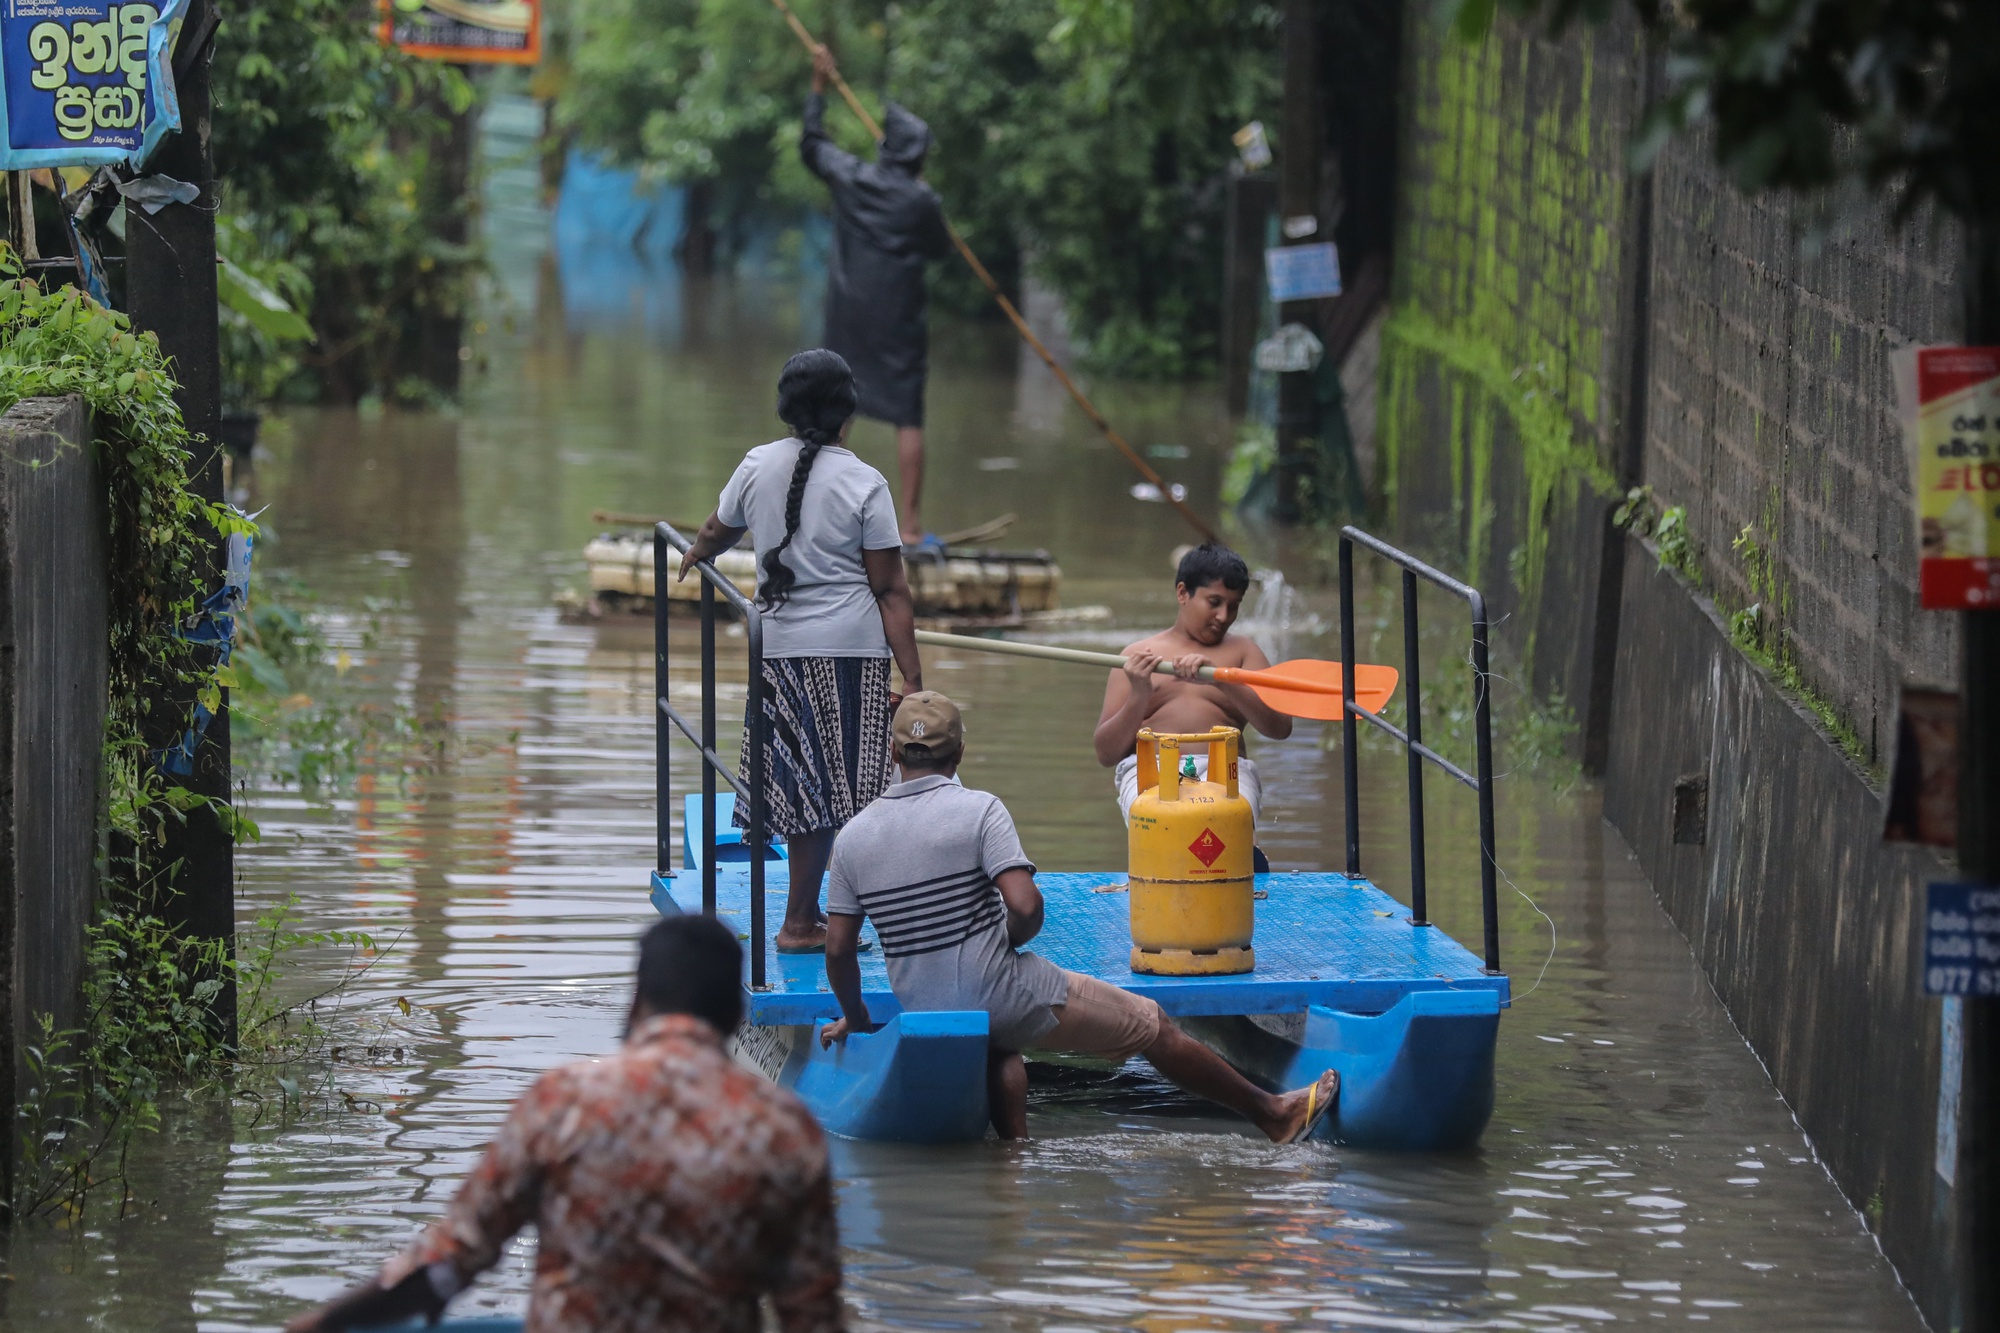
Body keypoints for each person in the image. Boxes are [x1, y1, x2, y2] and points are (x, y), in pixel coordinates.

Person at [819, 691, 1337, 1143]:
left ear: (892, 753)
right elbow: (1026, 907)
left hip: (923, 1004)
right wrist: (1005, 940)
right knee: (1153, 1024)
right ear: (959, 752)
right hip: (1004, 993)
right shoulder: (980, 809)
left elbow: (839, 950)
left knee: (1000, 1051)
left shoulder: (854, 837)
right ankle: (1273, 1115)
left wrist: (858, 1019)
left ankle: (1012, 1159)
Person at [283, 915, 843, 1333]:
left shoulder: (564, 1102)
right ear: (736, 1018)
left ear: (635, 1004)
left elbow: (450, 1263)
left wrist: (329, 1320)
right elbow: (811, 1315)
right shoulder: (785, 1129)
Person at [681, 349, 924, 953]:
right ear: (849, 412)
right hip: (850, 653)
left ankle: (808, 917)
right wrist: (914, 680)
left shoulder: (757, 464)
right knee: (850, 790)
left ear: (785, 409)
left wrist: (694, 553)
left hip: (778, 650)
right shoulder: (867, 482)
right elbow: (890, 589)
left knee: (799, 786)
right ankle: (806, 922)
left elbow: (719, 528)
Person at [802, 43, 951, 544]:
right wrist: (921, 197)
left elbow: (812, 144)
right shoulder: (922, 200)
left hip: (849, 313)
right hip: (900, 320)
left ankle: (820, 512)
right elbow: (939, 249)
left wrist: (818, 89)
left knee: (839, 404)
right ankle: (909, 525)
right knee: (907, 413)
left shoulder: (852, 177)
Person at [1093, 542, 1292, 829]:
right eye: (1214, 602)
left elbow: (1280, 729)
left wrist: (1223, 681)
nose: (1224, 617)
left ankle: (1246, 856)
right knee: (1165, 820)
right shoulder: (1136, 656)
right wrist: (1139, 694)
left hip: (1225, 771)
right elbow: (1106, 754)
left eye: (1233, 606)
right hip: (1153, 769)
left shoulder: (1244, 652)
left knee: (1230, 820)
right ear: (1183, 593)